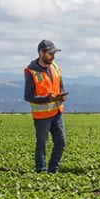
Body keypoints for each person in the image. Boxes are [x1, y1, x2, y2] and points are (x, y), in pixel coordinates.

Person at [24, 39, 67, 173]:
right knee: (42, 144)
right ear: (41, 53)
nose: (53, 56)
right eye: (50, 53)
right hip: (42, 115)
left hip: (57, 112)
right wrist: (47, 98)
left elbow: (60, 85)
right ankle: (41, 171)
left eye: (54, 53)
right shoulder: (32, 71)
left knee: (61, 142)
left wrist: (62, 95)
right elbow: (28, 96)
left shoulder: (55, 67)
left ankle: (53, 170)